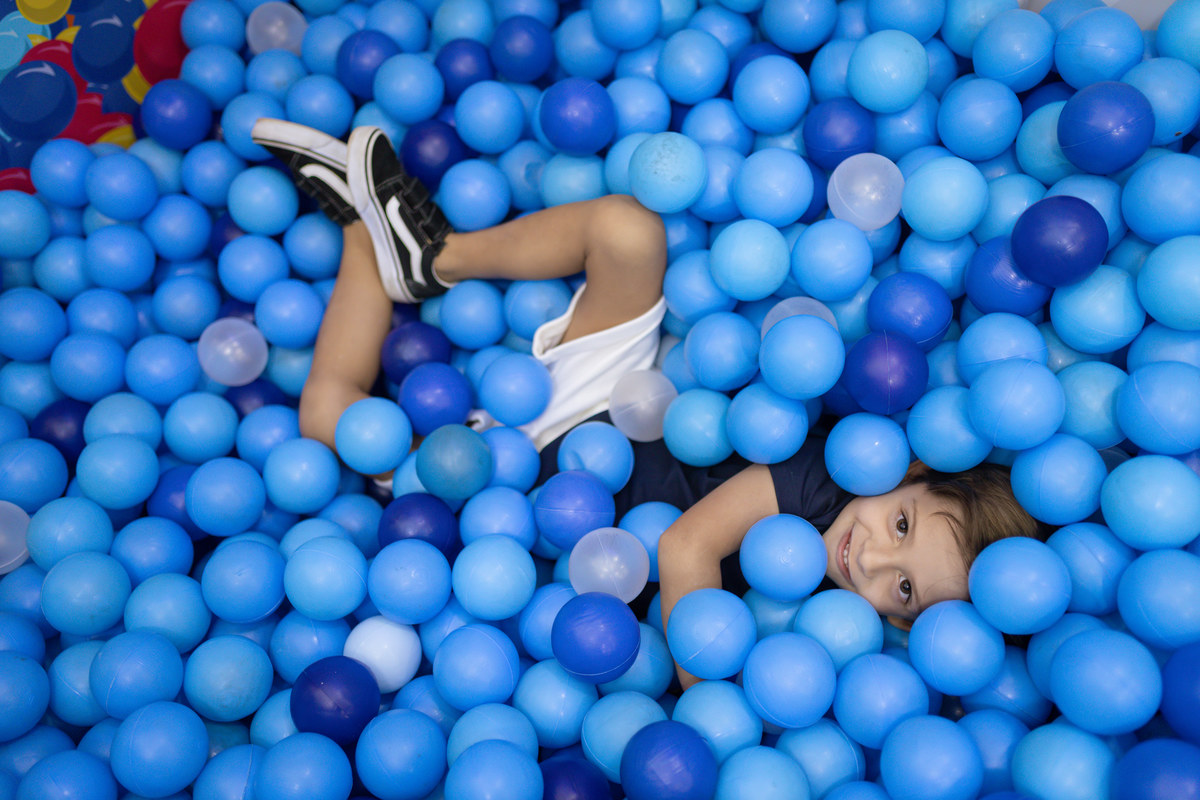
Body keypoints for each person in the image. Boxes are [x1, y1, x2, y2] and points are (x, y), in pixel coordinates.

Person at [251, 119, 1042, 689]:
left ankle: (358, 231)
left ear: (906, 627)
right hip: (608, 411)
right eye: (901, 525)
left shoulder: (828, 645)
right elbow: (685, 545)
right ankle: (435, 257)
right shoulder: (824, 478)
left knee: (330, 421)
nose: (870, 559)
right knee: (627, 229)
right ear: (909, 471)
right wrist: (707, 701)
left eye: (903, 589)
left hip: (527, 506)